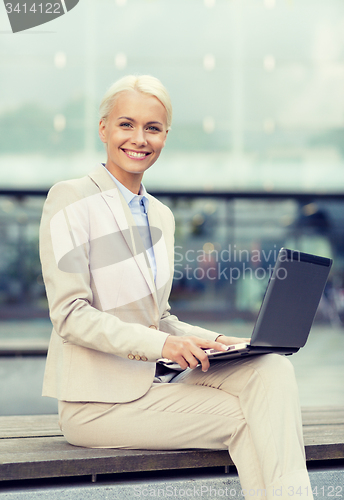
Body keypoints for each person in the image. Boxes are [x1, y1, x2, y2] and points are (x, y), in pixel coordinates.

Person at [39, 75, 313, 499]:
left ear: (165, 135)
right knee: (251, 418)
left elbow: (159, 318)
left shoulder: (161, 217)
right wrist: (162, 347)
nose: (139, 138)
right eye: (126, 124)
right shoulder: (71, 199)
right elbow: (71, 315)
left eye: (153, 128)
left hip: (155, 386)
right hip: (96, 405)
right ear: (103, 129)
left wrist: (220, 341)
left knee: (272, 368)